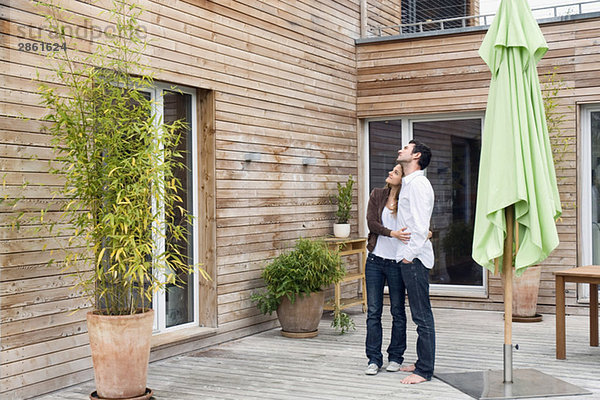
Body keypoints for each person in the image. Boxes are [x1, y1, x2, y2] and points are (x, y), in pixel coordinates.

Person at [364, 164, 412, 375]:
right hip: (375, 260)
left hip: (396, 262)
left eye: (395, 172)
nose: (390, 173)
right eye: (391, 170)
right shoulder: (377, 194)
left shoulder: (408, 200)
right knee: (373, 312)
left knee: (397, 311)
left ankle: (396, 356)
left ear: (402, 179)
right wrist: (391, 233)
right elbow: (371, 223)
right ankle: (374, 359)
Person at [395, 139, 435, 384]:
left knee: (422, 315)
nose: (401, 150)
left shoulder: (418, 185)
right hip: (409, 257)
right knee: (417, 314)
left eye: (406, 148)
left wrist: (409, 256)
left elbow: (421, 227)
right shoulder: (409, 184)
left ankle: (424, 371)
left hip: (415, 259)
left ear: (416, 155)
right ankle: (421, 363)